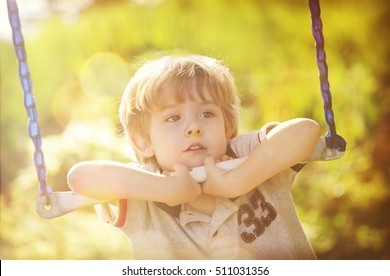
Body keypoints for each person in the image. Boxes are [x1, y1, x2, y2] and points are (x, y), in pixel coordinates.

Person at [67, 54, 321, 259]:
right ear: (144, 142)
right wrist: (166, 189)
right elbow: (80, 177)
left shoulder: (248, 156)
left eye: (207, 114)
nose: (194, 127)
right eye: (173, 118)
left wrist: (238, 181)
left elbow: (306, 130)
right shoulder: (143, 192)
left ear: (227, 127)